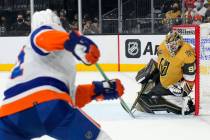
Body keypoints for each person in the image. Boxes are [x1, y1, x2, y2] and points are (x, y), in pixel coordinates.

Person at [0, 9, 124, 140]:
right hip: (46, 107)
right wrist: (74, 42)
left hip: (9, 118)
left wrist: (99, 89)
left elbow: (68, 97)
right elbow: (43, 36)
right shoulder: (43, 35)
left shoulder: (30, 56)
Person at [133, 31, 195, 115]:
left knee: (152, 97)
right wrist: (148, 69)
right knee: (147, 91)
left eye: (173, 45)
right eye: (168, 45)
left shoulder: (187, 53)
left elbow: (190, 78)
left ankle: (184, 104)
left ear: (179, 43)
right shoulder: (163, 46)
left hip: (175, 84)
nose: (170, 48)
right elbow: (158, 59)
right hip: (163, 78)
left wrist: (183, 90)